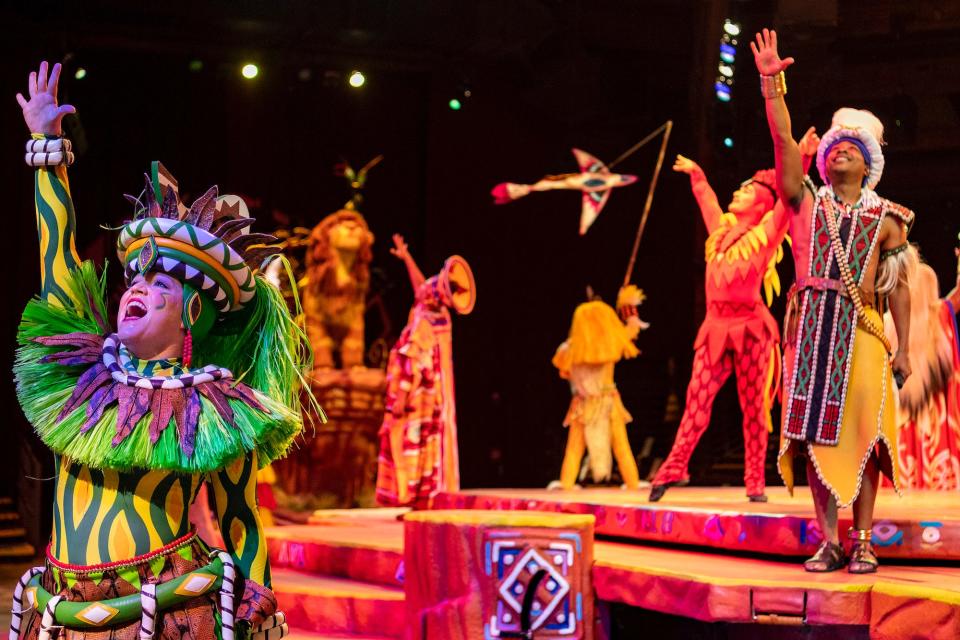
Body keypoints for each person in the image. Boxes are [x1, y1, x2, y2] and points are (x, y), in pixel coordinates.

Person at [11, 62, 313, 637]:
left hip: (169, 613)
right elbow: (55, 257)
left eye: (160, 286)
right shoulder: (78, 376)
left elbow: (242, 519)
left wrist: (257, 605)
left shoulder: (219, 407)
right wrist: (47, 145)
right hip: (62, 613)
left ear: (191, 312)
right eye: (135, 281)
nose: (139, 288)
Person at [752, 29, 915, 573]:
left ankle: (864, 539)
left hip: (863, 334)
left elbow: (900, 289)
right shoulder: (803, 202)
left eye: (855, 146)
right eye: (836, 144)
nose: (843, 147)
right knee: (814, 438)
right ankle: (829, 540)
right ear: (823, 159)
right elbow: (781, 143)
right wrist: (772, 84)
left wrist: (907, 349)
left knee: (867, 438)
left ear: (869, 163)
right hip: (813, 333)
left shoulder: (888, 220)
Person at [649, 155, 793, 502]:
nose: (738, 192)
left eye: (746, 190)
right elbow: (706, 199)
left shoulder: (768, 233)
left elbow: (789, 199)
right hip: (715, 327)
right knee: (695, 402)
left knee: (753, 409)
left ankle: (755, 480)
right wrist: (697, 174)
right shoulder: (719, 233)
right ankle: (673, 468)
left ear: (761, 204)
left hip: (751, 329)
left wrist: (799, 157)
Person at [375, 235, 476, 507]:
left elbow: (413, 363)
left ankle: (412, 497)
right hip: (434, 397)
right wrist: (407, 257)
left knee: (408, 443)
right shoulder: (438, 315)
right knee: (428, 444)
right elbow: (421, 287)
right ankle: (426, 499)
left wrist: (400, 397)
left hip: (418, 397)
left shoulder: (424, 322)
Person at [552, 287, 648, 490]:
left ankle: (567, 483)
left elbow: (564, 372)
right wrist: (627, 306)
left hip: (584, 404)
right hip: (607, 403)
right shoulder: (610, 346)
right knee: (621, 445)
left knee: (575, 448)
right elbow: (632, 330)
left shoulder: (568, 350)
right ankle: (632, 482)